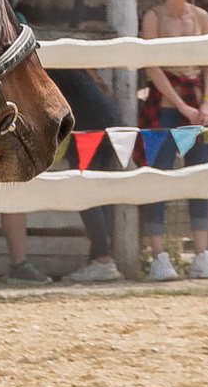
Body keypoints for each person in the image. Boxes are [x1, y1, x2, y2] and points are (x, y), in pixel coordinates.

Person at [139, 0, 208, 281]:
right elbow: (152, 66)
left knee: (200, 176)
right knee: (158, 177)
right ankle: (159, 256)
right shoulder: (153, 17)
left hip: (197, 100)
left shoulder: (202, 17)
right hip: (166, 102)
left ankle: (202, 254)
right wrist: (181, 106)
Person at [14, 65, 125, 284]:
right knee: (99, 190)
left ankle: (102, 259)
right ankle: (100, 257)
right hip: (108, 118)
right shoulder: (69, 64)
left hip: (87, 124)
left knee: (85, 192)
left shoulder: (43, 67)